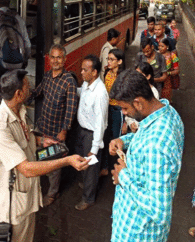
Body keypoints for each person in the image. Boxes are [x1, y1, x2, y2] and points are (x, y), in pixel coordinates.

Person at [0, 69, 90, 242]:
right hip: (14, 206)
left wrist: (41, 141)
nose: (31, 88)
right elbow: (26, 169)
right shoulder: (0, 128)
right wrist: (66, 160)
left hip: (27, 198)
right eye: (27, 86)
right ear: (19, 94)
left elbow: (25, 137)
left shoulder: (19, 111)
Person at [109, 69, 184, 242]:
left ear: (138, 103)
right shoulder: (166, 112)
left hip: (138, 234)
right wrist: (124, 140)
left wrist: (124, 177)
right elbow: (144, 135)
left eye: (125, 108)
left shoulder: (157, 145)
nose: (124, 113)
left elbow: (159, 211)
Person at [29, 44, 78, 206]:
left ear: (64, 59)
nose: (55, 60)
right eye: (53, 57)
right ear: (49, 59)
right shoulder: (48, 76)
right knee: (37, 156)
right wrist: (23, 94)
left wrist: (64, 130)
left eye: (59, 57)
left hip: (56, 132)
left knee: (54, 167)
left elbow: (71, 108)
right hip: (42, 127)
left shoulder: (69, 80)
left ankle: (52, 193)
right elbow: (38, 92)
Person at [75, 55, 109, 210]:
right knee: (83, 163)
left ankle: (88, 198)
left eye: (85, 70)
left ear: (94, 72)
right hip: (82, 131)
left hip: (92, 135)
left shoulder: (100, 93)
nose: (81, 72)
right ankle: (87, 185)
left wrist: (94, 149)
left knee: (91, 167)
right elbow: (80, 93)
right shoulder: (86, 85)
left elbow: (100, 124)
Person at [100, 49, 126, 177]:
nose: (108, 62)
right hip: (107, 109)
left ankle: (119, 169)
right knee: (105, 138)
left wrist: (126, 120)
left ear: (120, 61)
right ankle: (105, 167)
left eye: (112, 59)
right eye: (108, 59)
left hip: (118, 111)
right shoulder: (107, 73)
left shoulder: (123, 77)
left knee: (116, 140)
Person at [0, 0, 31, 74]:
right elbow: (27, 43)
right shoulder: (17, 18)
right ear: (8, 2)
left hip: (0, 63)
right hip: (18, 62)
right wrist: (25, 59)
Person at [125, 62, 159, 134]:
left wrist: (138, 125)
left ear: (148, 76)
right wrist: (130, 123)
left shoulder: (154, 93)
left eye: (140, 75)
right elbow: (128, 109)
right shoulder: (133, 88)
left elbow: (151, 115)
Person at [158, 38, 179, 102]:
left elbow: (177, 70)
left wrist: (168, 73)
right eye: (159, 46)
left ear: (167, 47)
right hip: (157, 80)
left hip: (167, 82)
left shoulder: (172, 56)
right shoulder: (156, 54)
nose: (160, 48)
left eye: (162, 46)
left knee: (165, 99)